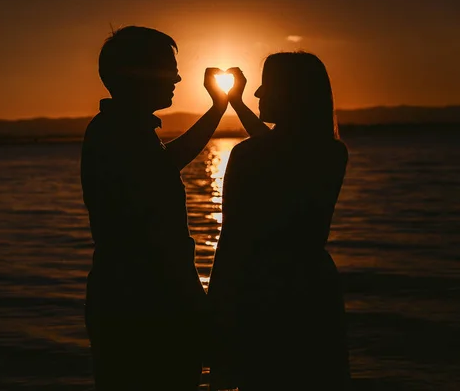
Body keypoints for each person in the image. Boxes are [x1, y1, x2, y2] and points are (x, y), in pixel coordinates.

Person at [80, 26, 228, 391]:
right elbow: (155, 242)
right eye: (169, 68)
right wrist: (197, 306)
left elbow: (167, 162)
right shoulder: (119, 135)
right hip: (148, 309)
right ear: (138, 74)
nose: (178, 76)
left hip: (128, 302)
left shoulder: (119, 130)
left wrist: (218, 108)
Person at [207, 52, 351, 391]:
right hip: (315, 294)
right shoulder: (332, 154)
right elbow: (284, 149)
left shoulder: (247, 157)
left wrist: (216, 320)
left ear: (291, 94)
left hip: (262, 299)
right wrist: (239, 105)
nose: (257, 94)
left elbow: (231, 244)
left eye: (265, 87)